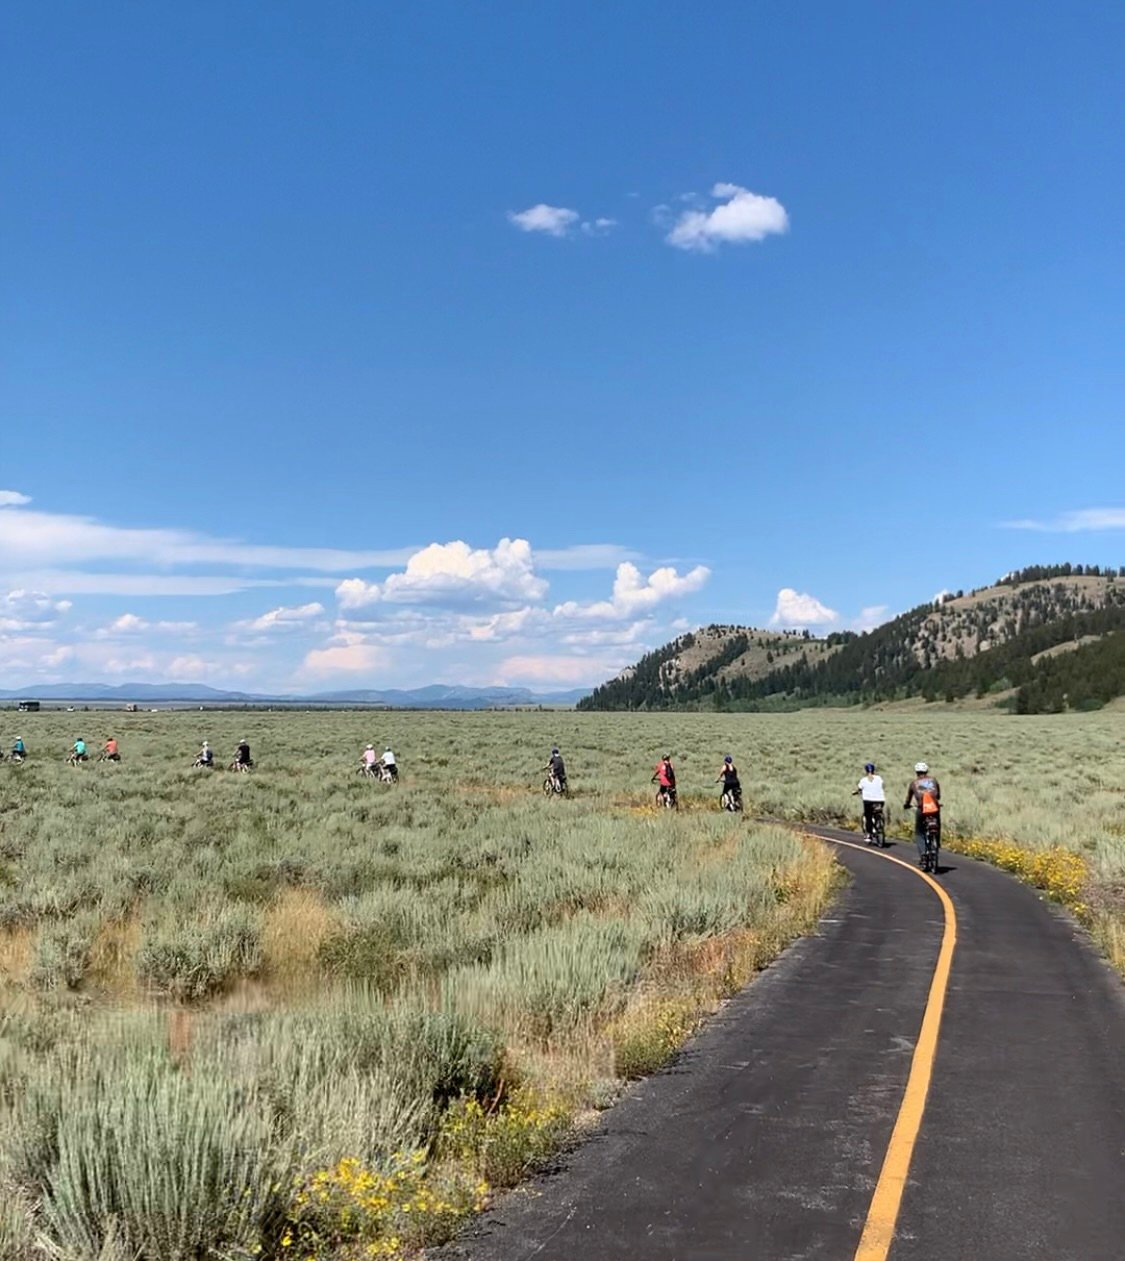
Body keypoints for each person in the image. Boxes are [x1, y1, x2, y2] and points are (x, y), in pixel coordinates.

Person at [904, 761, 941, 864]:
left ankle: (924, 854)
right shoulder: (933, 780)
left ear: (916, 772)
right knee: (937, 826)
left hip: (922, 809)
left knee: (919, 832)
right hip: (934, 808)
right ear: (926, 771)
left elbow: (909, 798)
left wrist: (906, 805)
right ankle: (936, 843)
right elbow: (938, 795)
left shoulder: (913, 783)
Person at [853, 762, 886, 843]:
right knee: (878, 812)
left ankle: (869, 834)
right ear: (874, 770)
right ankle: (880, 824)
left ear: (866, 771)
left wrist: (856, 792)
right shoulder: (879, 778)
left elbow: (859, 789)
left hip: (868, 801)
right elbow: (882, 785)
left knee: (868, 817)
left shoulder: (863, 780)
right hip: (880, 800)